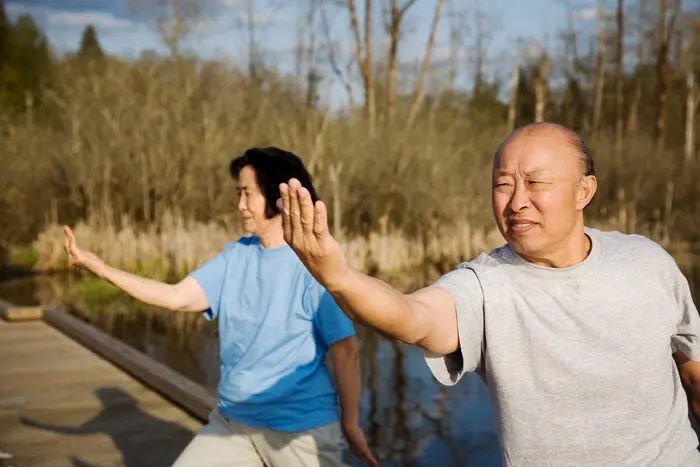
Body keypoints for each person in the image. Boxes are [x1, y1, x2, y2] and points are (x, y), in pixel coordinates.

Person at [277, 122, 700, 467]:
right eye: (503, 185)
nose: (517, 202)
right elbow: (411, 318)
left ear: (584, 191)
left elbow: (691, 365)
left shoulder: (647, 261)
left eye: (536, 182)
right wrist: (341, 278)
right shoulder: (484, 285)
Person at [62, 147, 377, 467]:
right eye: (237, 193)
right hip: (234, 423)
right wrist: (101, 269)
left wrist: (350, 425)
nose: (239, 204)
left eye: (247, 193)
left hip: (299, 431)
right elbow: (177, 297)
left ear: (276, 194)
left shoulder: (314, 267)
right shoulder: (235, 256)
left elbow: (346, 350)